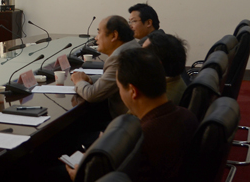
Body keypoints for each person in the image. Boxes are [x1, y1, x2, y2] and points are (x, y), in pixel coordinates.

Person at [66, 49, 198, 182]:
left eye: (119, 88)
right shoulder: (188, 116)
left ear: (133, 91)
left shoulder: (140, 139)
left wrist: (83, 177)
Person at [71, 15, 140, 118]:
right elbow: (114, 77)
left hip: (126, 120)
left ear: (114, 36)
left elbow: (92, 95)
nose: (96, 38)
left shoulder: (120, 57)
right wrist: (90, 79)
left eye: (99, 32)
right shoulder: (133, 46)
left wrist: (79, 81)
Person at [142, 32, 188, 104]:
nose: (138, 57)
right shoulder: (176, 81)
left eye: (142, 53)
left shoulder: (157, 101)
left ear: (156, 63)